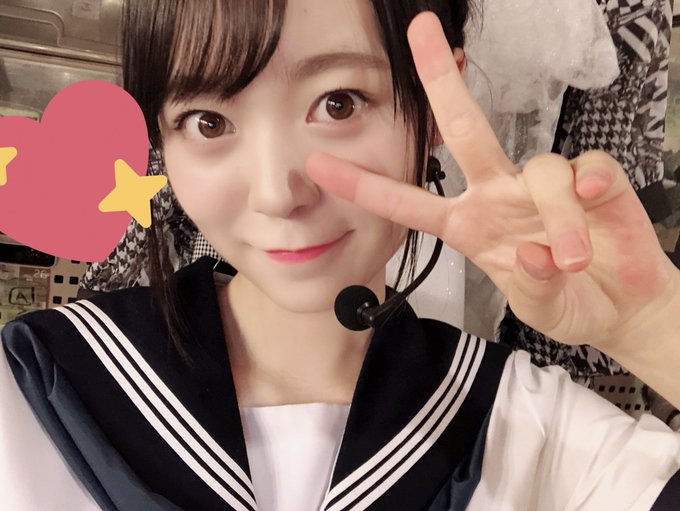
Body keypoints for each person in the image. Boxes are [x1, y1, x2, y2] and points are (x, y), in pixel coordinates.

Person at [1, 0, 679, 510]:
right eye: (209, 121)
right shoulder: (37, 387)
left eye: (339, 103)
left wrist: (654, 326)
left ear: (433, 107)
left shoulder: (534, 434)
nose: (276, 193)